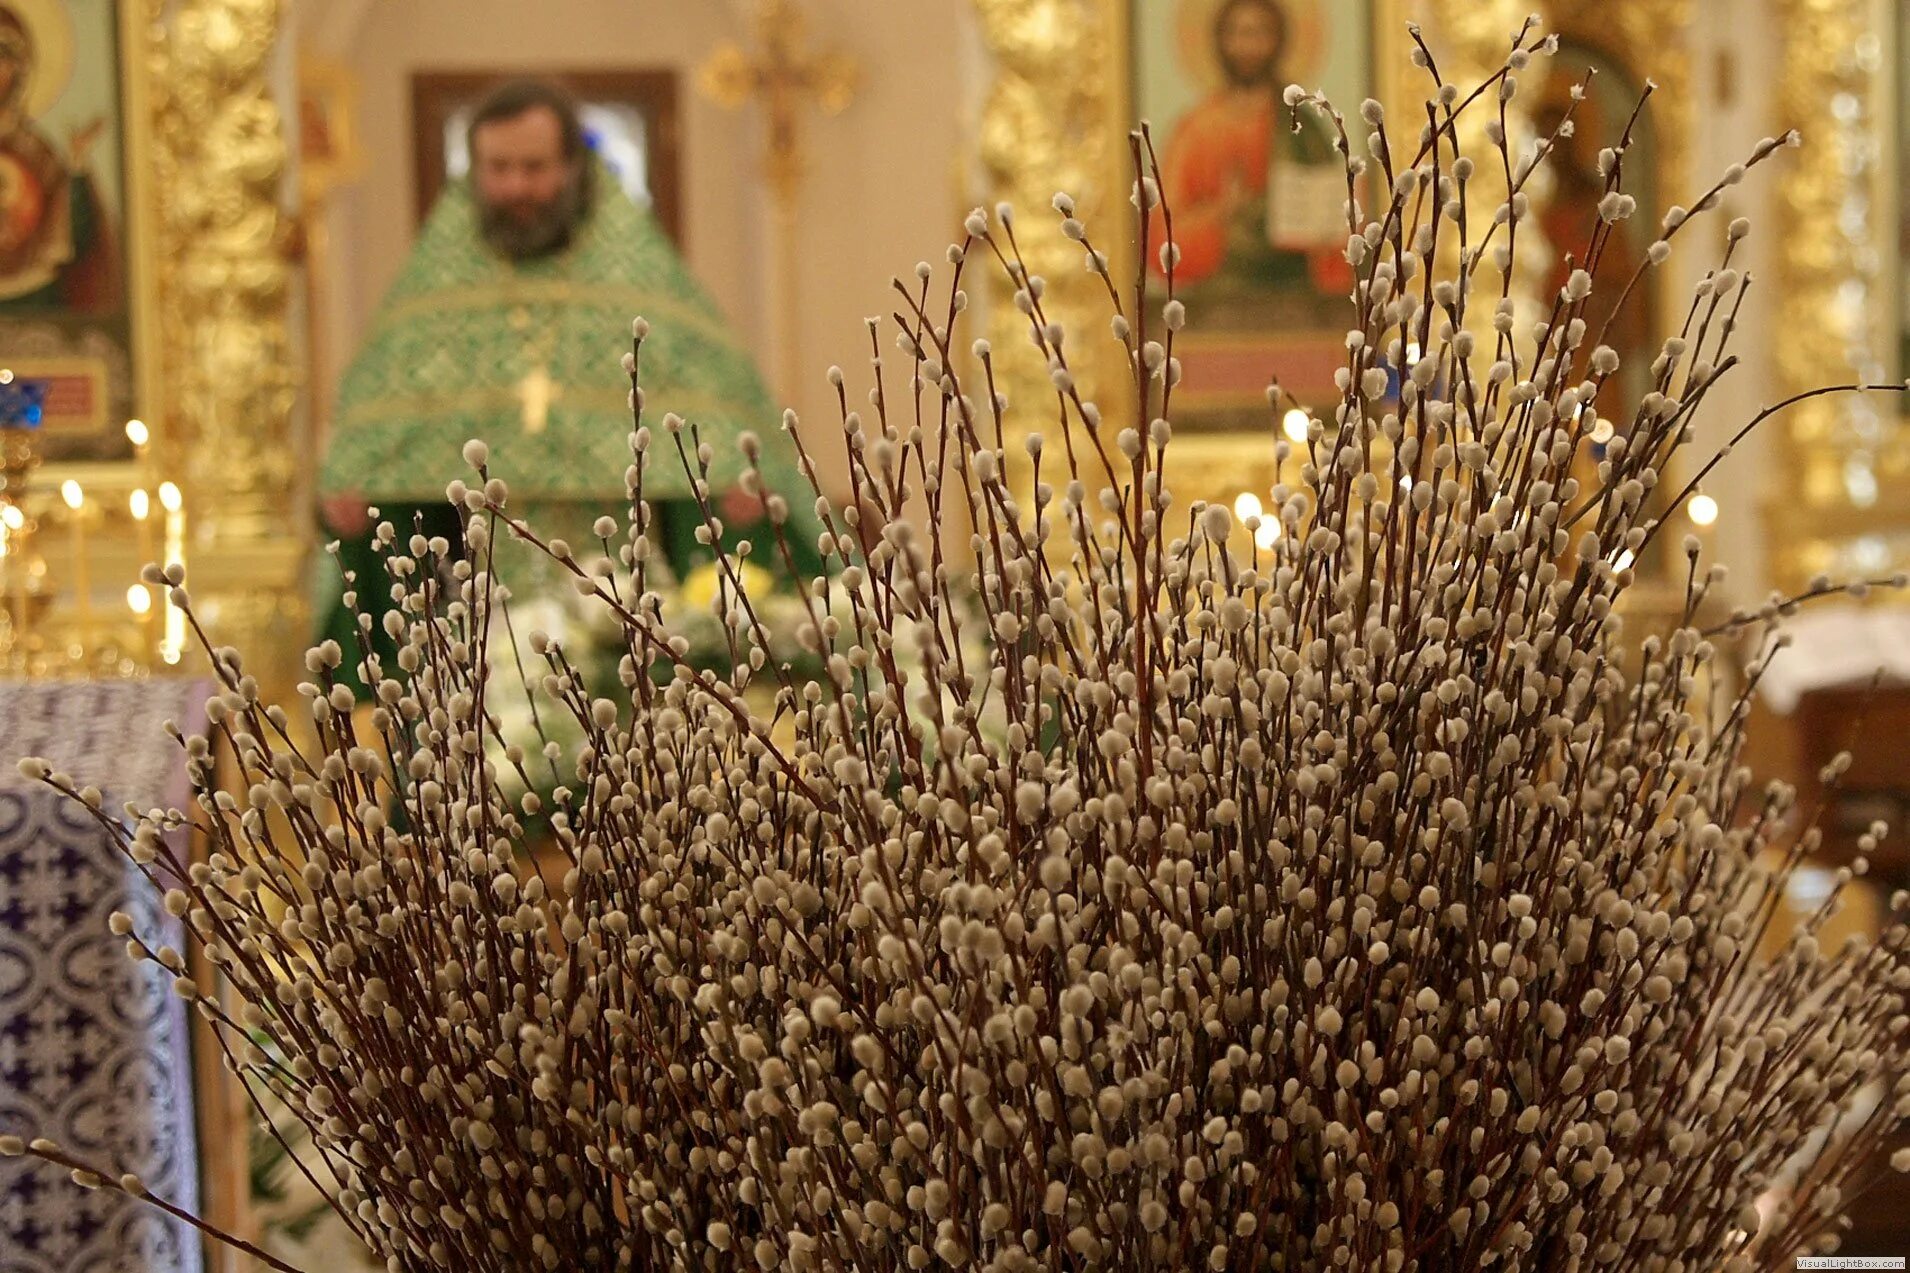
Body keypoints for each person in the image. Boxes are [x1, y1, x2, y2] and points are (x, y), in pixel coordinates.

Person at [316, 78, 812, 682]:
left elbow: (705, 393)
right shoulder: (434, 291)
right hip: (472, 604)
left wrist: (734, 480)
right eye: (497, 168)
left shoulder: (638, 278)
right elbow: (380, 427)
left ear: (574, 167)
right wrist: (355, 487)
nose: (516, 185)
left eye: (534, 167)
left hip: (629, 596)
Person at [1149, 0, 1348, 305]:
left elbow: (1336, 228)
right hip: (1217, 303)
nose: (1248, 46)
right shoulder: (1196, 131)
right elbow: (1164, 242)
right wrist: (1221, 213)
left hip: (1297, 300)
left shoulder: (1302, 126)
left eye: (1259, 33)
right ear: (1220, 41)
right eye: (1238, 33)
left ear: (1279, 40)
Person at [0, 2, 119, 312]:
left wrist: (77, 165)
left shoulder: (37, 151)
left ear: (19, 69)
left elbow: (74, 235)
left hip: (33, 297)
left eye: (2, 58)